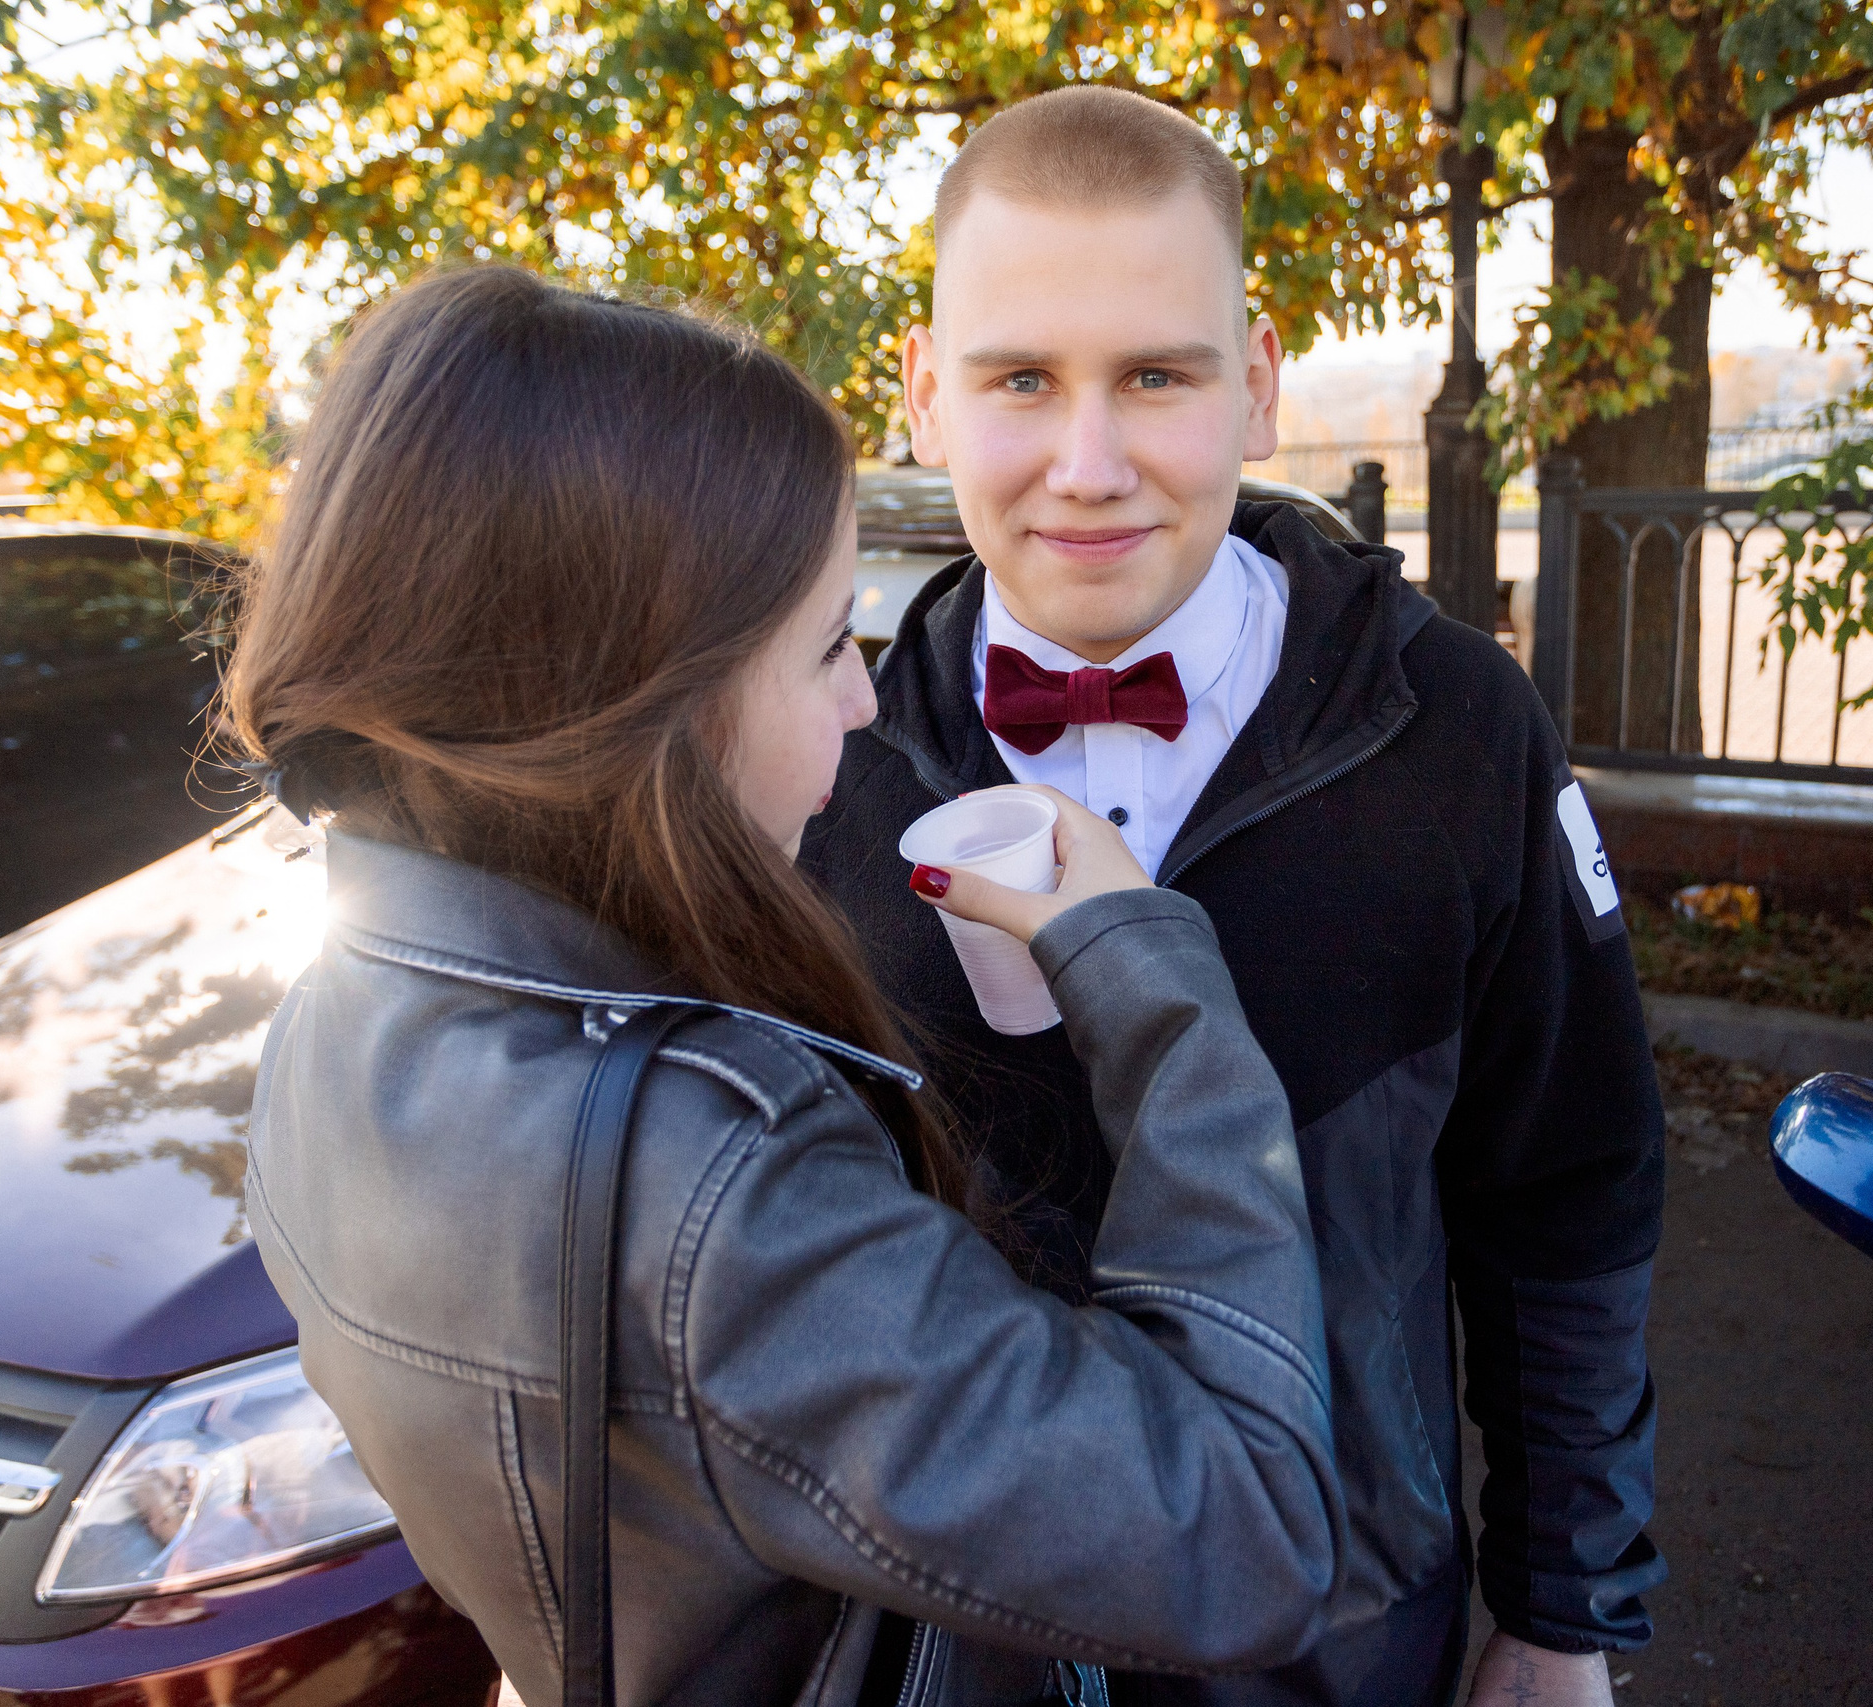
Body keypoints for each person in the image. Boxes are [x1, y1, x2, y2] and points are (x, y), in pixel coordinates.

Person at [229, 265, 1349, 1707]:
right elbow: (1246, 1528)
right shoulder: (712, 1194)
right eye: (826, 645)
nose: (866, 698)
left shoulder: (337, 1011)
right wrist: (1155, 977)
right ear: (642, 704)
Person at [801, 88, 1665, 1707]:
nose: (1089, 467)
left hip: (1341, 1640)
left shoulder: (1454, 728)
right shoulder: (821, 761)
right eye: (1020, 381)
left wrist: (1564, 1613)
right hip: (950, 1647)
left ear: (1257, 383)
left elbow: (1572, 1190)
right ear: (923, 397)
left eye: (1157, 377)